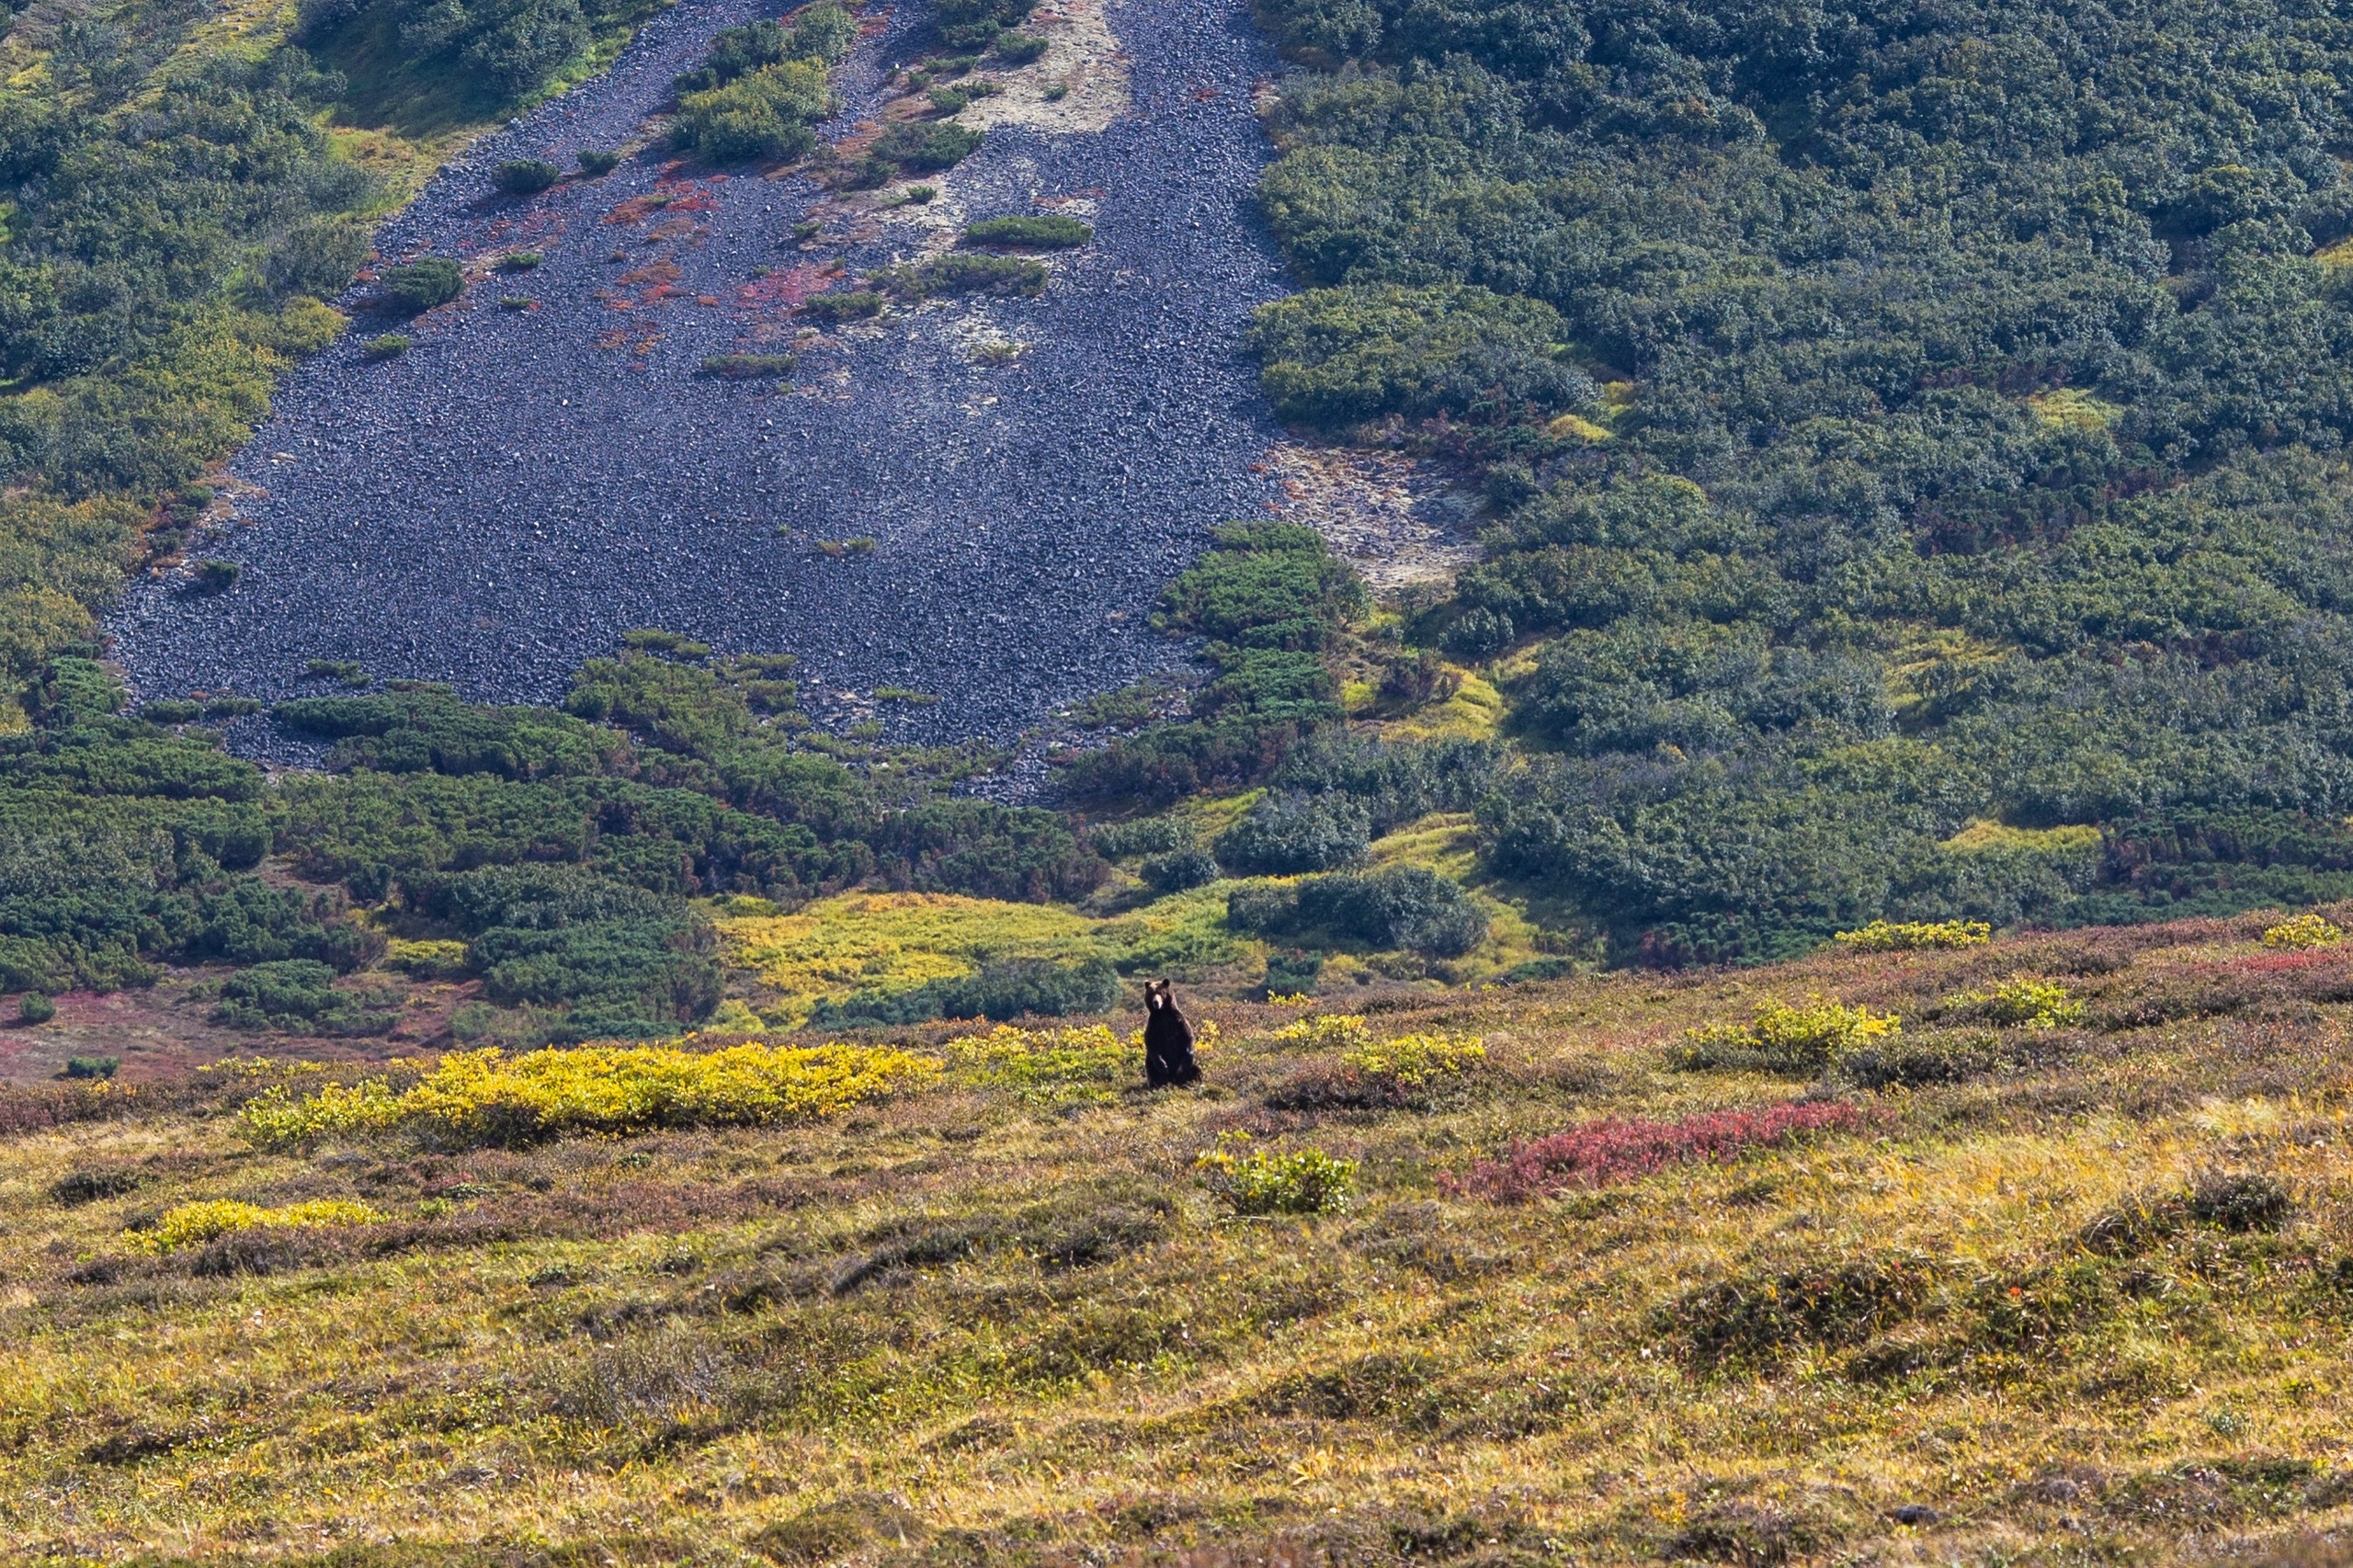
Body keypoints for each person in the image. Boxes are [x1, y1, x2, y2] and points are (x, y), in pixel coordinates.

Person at [1142, 979, 1199, 1087]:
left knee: (1196, 1072)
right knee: (1151, 1061)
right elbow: (1151, 1046)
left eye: (1161, 994)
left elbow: (1189, 1038)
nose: (1156, 999)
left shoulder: (1178, 1018)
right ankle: (1157, 1085)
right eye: (1153, 996)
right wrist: (1157, 1059)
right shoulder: (1153, 1022)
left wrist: (1189, 1053)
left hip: (1180, 1065)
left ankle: (1185, 1083)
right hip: (1161, 1071)